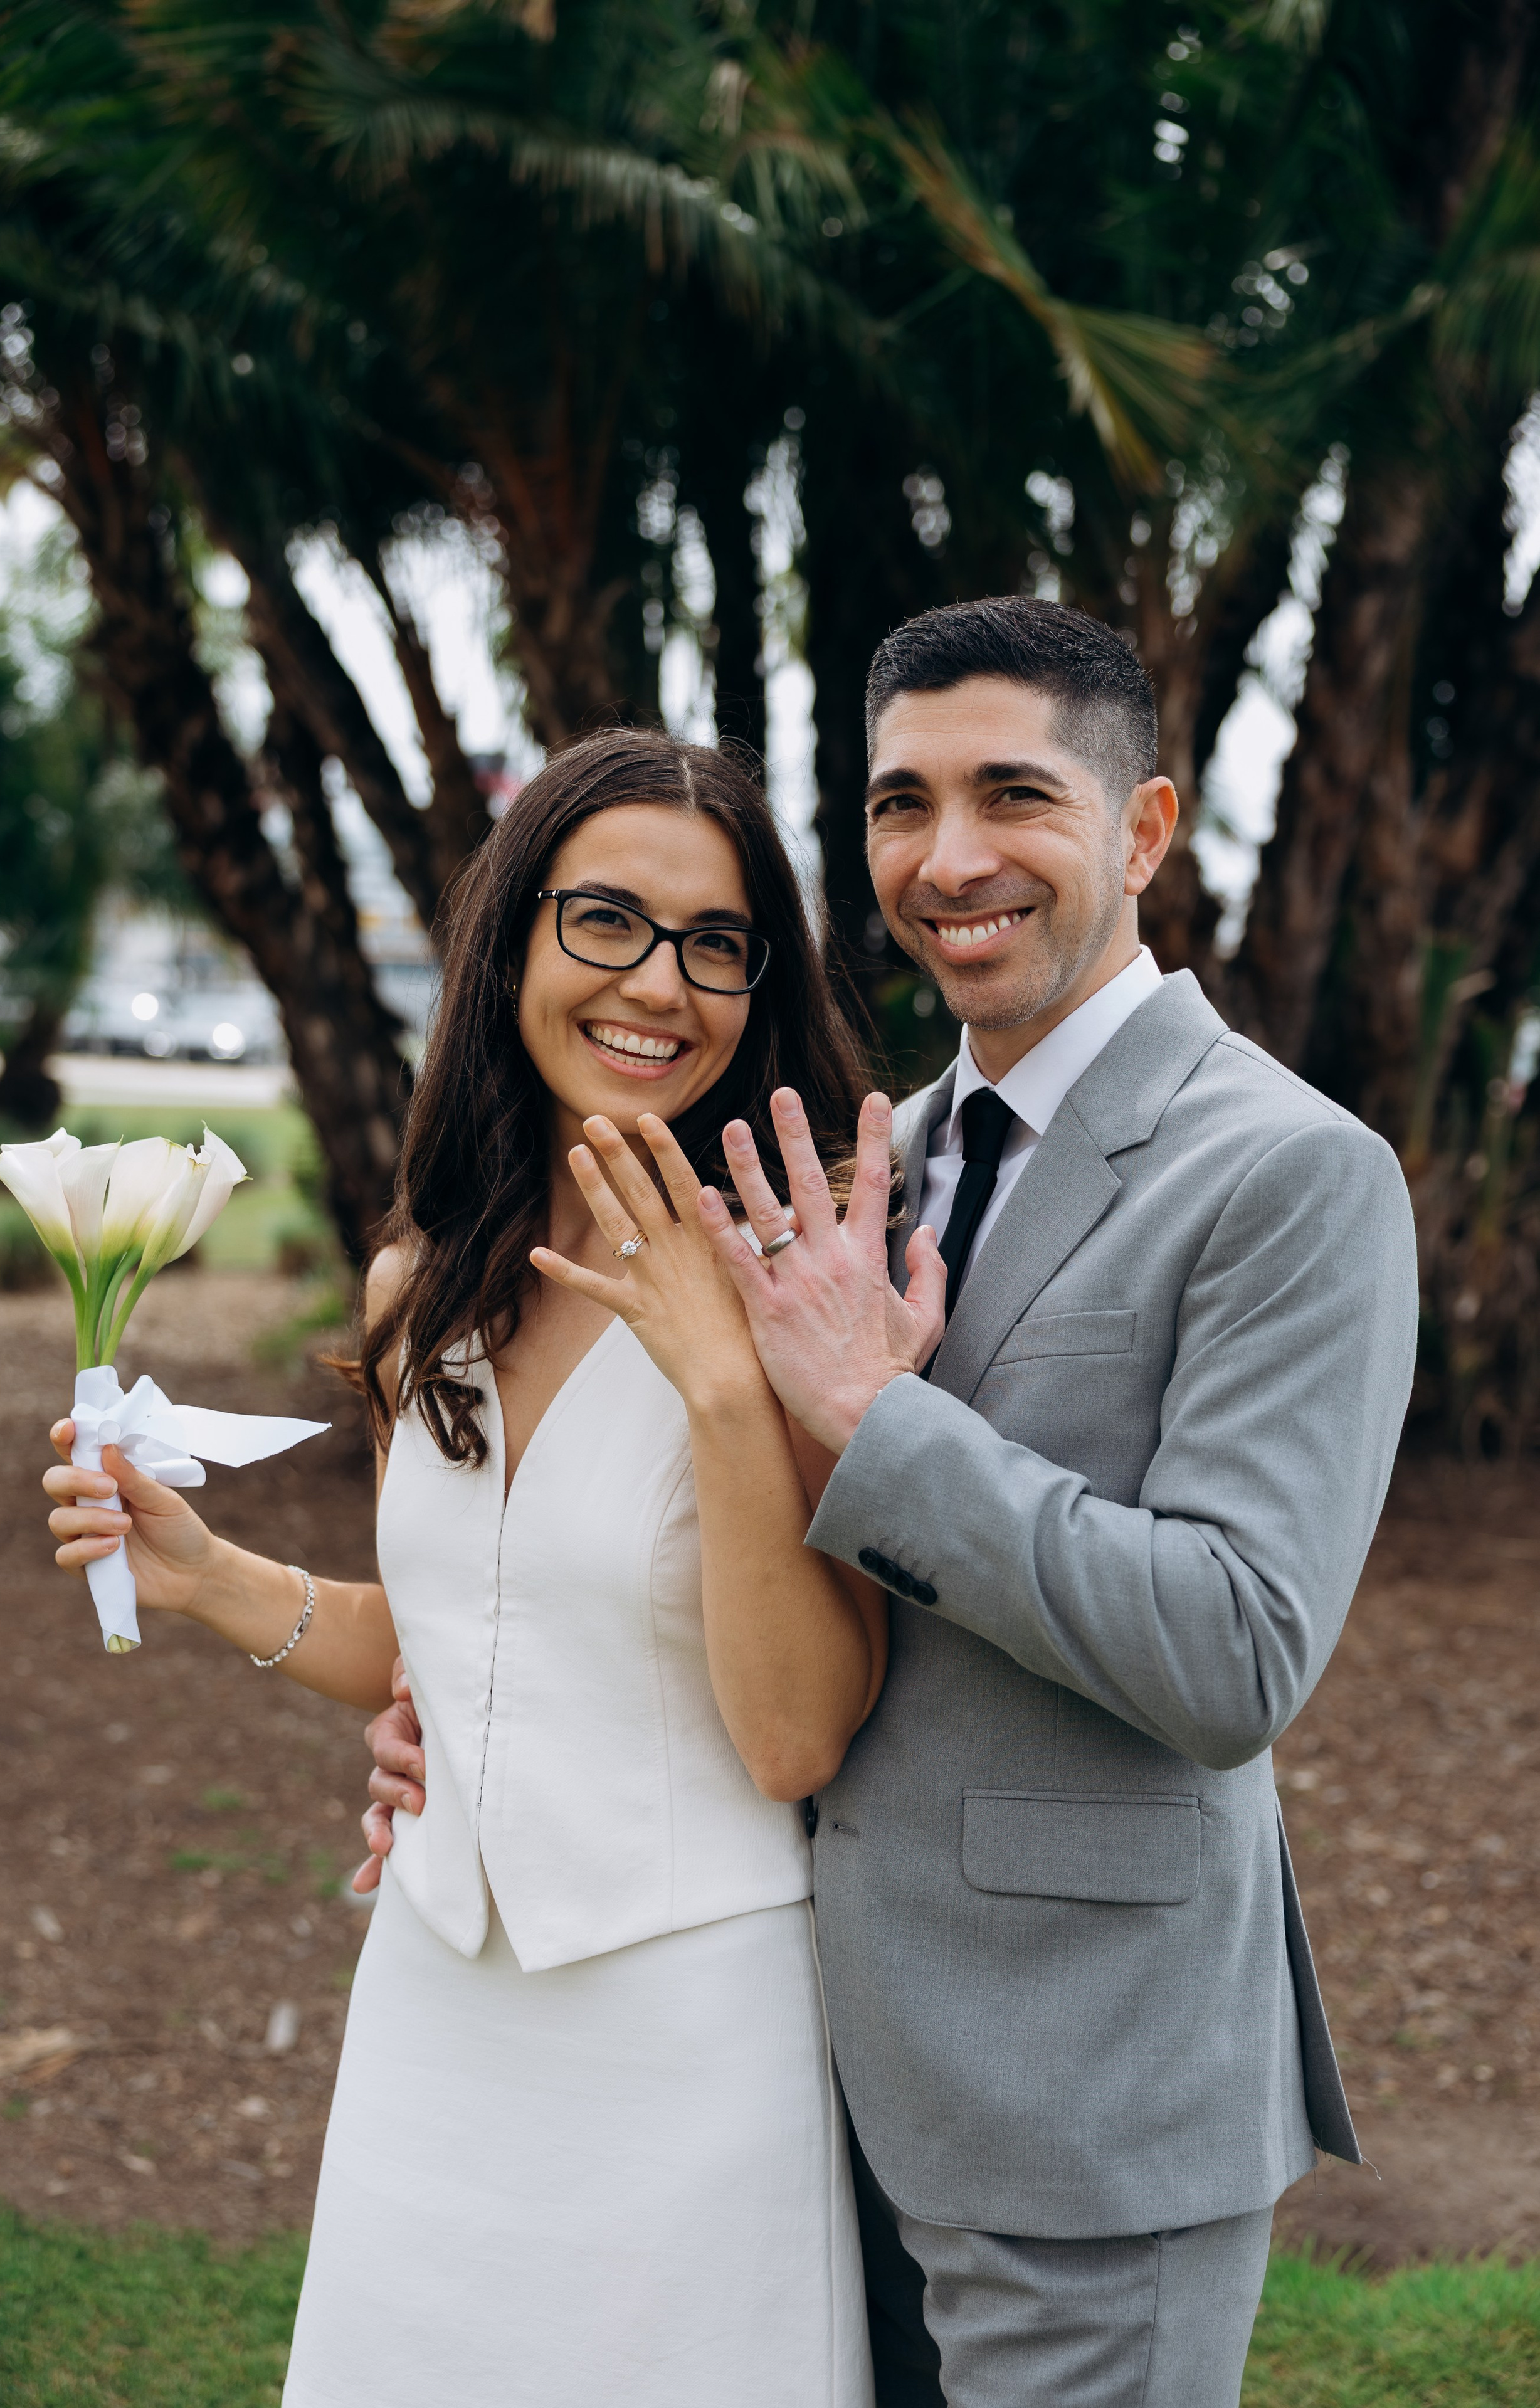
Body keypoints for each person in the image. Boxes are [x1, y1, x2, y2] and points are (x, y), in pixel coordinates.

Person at [363, 599, 1421, 2408]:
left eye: (1015, 795)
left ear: (1146, 831)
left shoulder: (1294, 1174)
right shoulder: (865, 1160)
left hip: (1086, 2107)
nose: (949, 859)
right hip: (795, 2082)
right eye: (900, 804)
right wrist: (474, 1713)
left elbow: (1237, 1651)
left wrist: (877, 1421)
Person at [42, 729, 892, 2407]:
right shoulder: (424, 1282)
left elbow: (798, 1736)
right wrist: (204, 1574)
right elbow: (467, 1646)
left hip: (691, 2040)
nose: (659, 983)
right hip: (434, 2014)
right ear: (512, 945)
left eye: (716, 943)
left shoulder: (809, 1279)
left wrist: (723, 1380)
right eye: (607, 920)